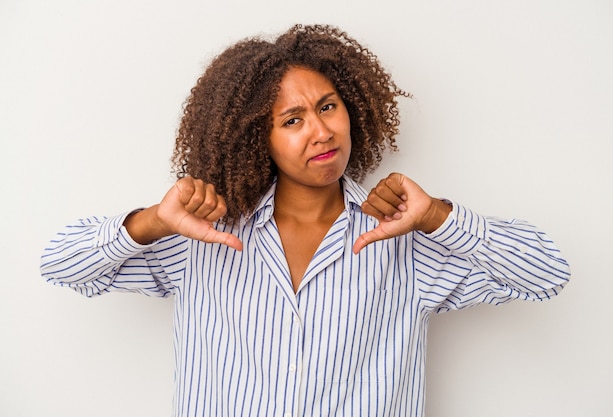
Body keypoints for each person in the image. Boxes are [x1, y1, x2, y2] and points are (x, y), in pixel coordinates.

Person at [40, 24, 570, 417]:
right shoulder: (201, 236)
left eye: (328, 106)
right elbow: (60, 265)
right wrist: (154, 221)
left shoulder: (405, 241)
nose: (321, 132)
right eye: (291, 120)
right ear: (256, 138)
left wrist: (436, 215)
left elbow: (548, 274)